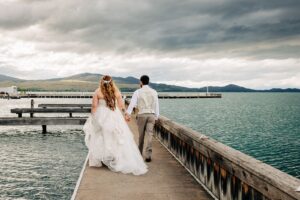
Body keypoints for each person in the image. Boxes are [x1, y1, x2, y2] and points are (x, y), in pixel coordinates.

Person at [83, 75, 148, 176]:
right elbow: (121, 105)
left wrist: (93, 117)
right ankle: (114, 158)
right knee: (115, 137)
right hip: (114, 115)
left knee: (101, 136)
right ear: (111, 82)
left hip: (101, 116)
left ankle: (103, 158)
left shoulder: (97, 91)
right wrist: (126, 114)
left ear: (101, 82)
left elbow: (94, 106)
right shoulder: (116, 91)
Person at [125, 75, 159, 162]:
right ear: (148, 81)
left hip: (142, 115)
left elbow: (132, 104)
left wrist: (128, 114)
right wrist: (156, 116)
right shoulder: (154, 92)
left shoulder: (137, 92)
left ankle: (139, 154)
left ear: (141, 82)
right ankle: (148, 155)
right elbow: (156, 105)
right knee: (150, 135)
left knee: (141, 136)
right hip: (151, 115)